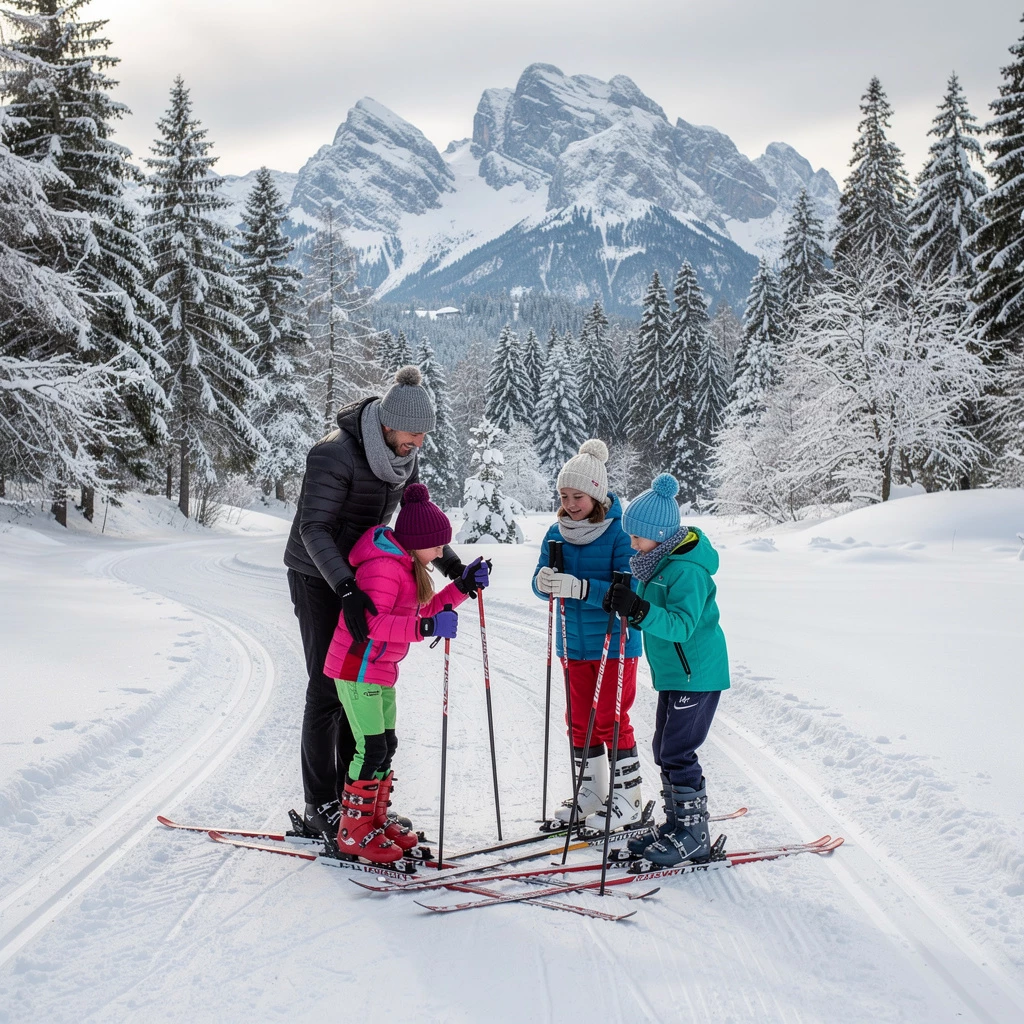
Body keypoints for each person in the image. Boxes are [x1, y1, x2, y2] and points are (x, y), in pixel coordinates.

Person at [283, 366, 489, 837]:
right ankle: (322, 806)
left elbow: (408, 529)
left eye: (422, 437)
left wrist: (451, 566)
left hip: (367, 576)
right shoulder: (333, 454)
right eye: (413, 434)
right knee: (328, 685)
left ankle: (358, 800)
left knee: (362, 686)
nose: (418, 443)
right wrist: (346, 588)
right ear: (388, 423)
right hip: (320, 575)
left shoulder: (400, 458)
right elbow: (313, 528)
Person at [322, 484, 472, 863]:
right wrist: (426, 630)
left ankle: (373, 819)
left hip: (379, 670)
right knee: (370, 747)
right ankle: (352, 831)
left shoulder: (406, 566)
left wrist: (463, 588)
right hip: (357, 668)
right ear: (417, 541)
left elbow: (422, 610)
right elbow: (372, 625)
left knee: (385, 745)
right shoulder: (385, 567)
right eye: (437, 546)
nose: (441, 554)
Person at [602, 472, 730, 866]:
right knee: (664, 748)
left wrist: (639, 609)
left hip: (699, 675)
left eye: (637, 537)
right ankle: (679, 823)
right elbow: (648, 612)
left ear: (659, 534)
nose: (632, 543)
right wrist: (624, 601)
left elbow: (680, 625)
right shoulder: (654, 564)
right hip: (676, 675)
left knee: (677, 750)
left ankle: (695, 834)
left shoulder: (685, 570)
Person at [531, 439, 645, 831]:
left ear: (596, 494)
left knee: (610, 719)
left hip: (615, 643)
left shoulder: (619, 533)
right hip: (573, 642)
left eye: (577, 495)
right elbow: (539, 581)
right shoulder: (555, 531)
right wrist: (544, 582)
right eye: (563, 495)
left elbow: (626, 591)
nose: (570, 503)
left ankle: (628, 797)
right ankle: (591, 791)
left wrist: (580, 588)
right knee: (579, 720)